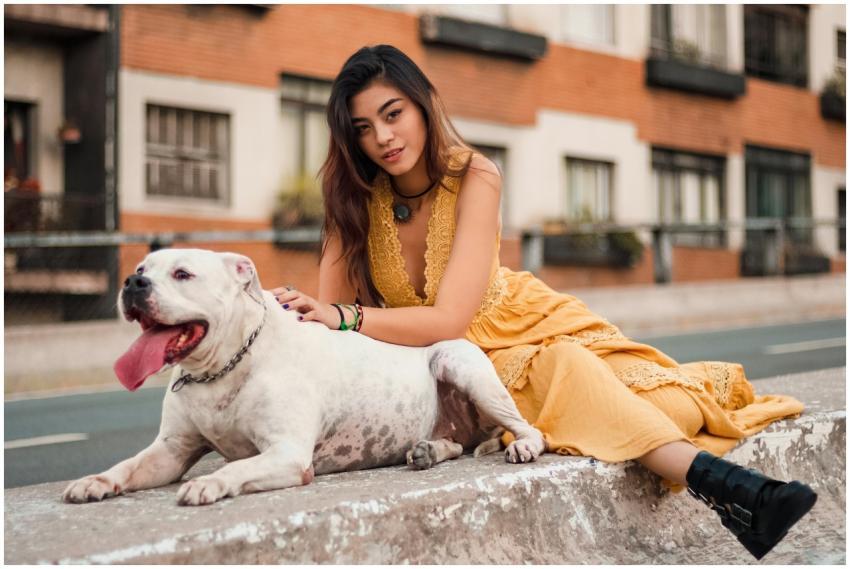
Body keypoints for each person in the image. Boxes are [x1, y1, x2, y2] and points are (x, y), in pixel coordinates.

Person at [272, 44, 816, 559]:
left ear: (422, 103)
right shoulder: (351, 200)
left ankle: (738, 499)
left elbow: (448, 313)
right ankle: (738, 493)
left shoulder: (474, 174)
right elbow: (333, 331)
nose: (383, 137)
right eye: (364, 128)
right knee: (568, 371)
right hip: (462, 359)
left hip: (523, 316)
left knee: (670, 403)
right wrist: (312, 317)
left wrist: (346, 317)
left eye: (393, 114)